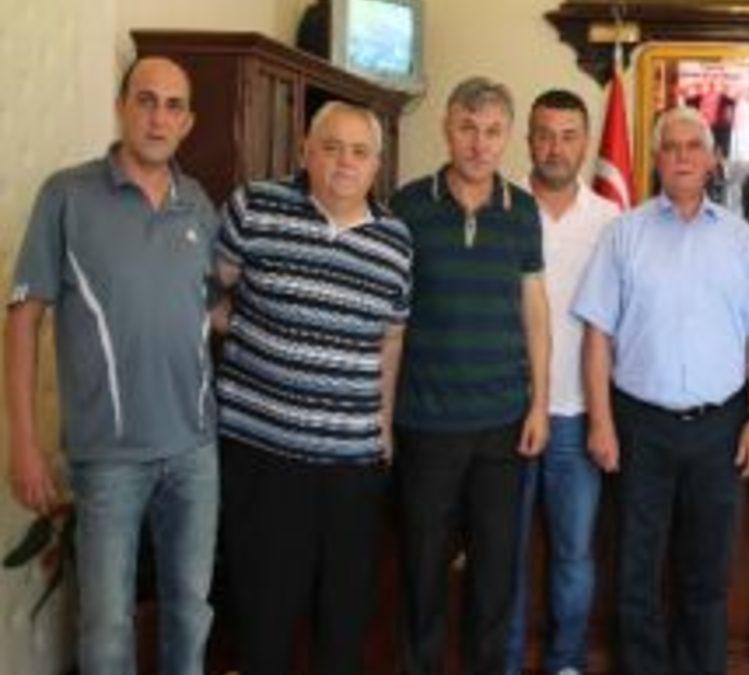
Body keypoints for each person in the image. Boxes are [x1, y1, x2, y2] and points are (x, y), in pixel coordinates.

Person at [5, 56, 219, 675]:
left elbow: (211, 309)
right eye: (146, 100)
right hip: (108, 458)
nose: (158, 117)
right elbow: (23, 320)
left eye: (173, 106)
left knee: (190, 612)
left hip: (195, 451)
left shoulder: (197, 204)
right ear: (121, 107)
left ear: (188, 122)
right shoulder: (67, 195)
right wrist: (25, 444)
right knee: (105, 630)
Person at [573, 106, 749, 675]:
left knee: (706, 574)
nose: (683, 156)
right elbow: (597, 337)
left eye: (694, 146)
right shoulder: (624, 233)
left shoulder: (741, 239)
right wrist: (601, 422)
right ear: (656, 159)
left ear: (712, 160)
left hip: (720, 429)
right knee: (636, 572)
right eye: (671, 147)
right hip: (640, 426)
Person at [211, 100, 412, 674]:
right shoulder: (256, 206)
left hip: (351, 461)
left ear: (376, 165)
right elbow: (210, 290)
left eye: (359, 152)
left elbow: (391, 339)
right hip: (262, 453)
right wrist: (247, 330)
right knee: (263, 617)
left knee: (343, 619)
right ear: (305, 150)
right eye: (331, 147)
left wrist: (383, 424)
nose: (344, 162)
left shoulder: (395, 241)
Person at [389, 76, 551, 675]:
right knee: (422, 569)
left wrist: (538, 405)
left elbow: (535, 312)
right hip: (426, 422)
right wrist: (383, 417)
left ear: (507, 137)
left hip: (503, 423)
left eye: (492, 132)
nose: (479, 144)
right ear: (447, 129)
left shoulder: (522, 211)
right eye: (467, 128)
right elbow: (391, 319)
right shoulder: (407, 206)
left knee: (495, 574)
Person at [505, 89, 620, 675]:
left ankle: (566, 663)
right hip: (507, 411)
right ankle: (505, 662)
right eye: (545, 135)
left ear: (585, 142)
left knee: (574, 555)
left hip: (578, 414)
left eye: (569, 135)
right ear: (529, 140)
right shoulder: (501, 205)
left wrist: (605, 416)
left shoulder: (610, 221)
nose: (555, 147)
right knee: (505, 556)